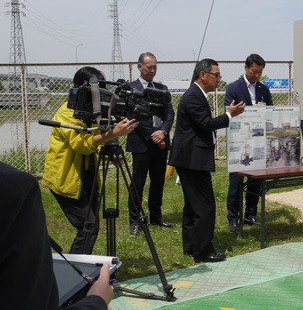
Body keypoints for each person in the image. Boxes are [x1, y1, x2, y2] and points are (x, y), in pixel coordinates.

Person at [42, 67, 138, 254]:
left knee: (90, 225)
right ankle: (76, 275)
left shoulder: (92, 110)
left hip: (87, 174)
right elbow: (80, 144)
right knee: (88, 225)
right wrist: (112, 134)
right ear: (78, 87)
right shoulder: (66, 111)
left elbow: (96, 137)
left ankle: (81, 271)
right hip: (66, 177)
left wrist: (109, 152)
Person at [0, 161, 114, 310]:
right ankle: (77, 271)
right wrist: (96, 301)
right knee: (88, 224)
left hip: (84, 176)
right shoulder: (11, 187)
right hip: (66, 180)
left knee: (90, 224)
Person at [169, 59, 245, 263]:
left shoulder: (196, 94)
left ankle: (191, 246)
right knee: (204, 206)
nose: (219, 79)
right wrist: (230, 115)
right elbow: (205, 124)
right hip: (192, 159)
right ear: (203, 75)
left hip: (189, 158)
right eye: (216, 75)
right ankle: (203, 251)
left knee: (192, 205)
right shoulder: (194, 95)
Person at [126, 52, 175, 235]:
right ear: (140, 67)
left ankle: (156, 216)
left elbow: (170, 113)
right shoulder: (131, 89)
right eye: (149, 67)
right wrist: (152, 134)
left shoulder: (161, 88)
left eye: (155, 67)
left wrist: (162, 132)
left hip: (160, 142)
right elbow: (132, 115)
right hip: (141, 142)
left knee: (158, 182)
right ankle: (135, 220)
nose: (152, 70)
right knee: (138, 182)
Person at [224, 53, 274, 232]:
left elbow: (271, 111)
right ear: (245, 68)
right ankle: (233, 217)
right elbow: (229, 114)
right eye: (254, 71)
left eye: (260, 72)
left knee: (256, 180)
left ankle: (250, 214)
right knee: (236, 181)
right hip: (239, 139)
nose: (257, 75)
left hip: (258, 141)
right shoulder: (233, 88)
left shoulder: (263, 89)